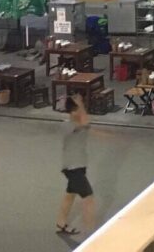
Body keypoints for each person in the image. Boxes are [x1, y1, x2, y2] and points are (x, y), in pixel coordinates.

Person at [56, 94, 96, 236]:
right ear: (73, 112)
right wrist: (81, 104)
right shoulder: (68, 125)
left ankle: (61, 223)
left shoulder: (78, 123)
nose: (81, 111)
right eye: (78, 109)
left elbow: (86, 122)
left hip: (79, 166)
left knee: (70, 195)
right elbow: (84, 122)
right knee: (88, 198)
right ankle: (91, 233)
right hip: (73, 168)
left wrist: (80, 104)